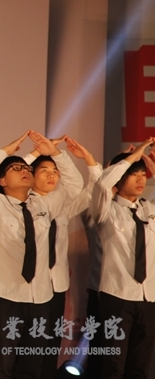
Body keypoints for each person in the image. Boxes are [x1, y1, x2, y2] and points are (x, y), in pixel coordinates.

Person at [0, 132, 82, 379]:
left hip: (41, 298)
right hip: (6, 298)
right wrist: (5, 152)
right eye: (16, 168)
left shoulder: (44, 205)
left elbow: (74, 185)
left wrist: (56, 154)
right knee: (1, 368)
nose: (25, 171)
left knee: (31, 369)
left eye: (27, 168)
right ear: (2, 181)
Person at [21, 138, 101, 379]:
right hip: (27, 286)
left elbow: (90, 191)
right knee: (26, 349)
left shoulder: (62, 204)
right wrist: (35, 153)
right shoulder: (18, 203)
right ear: (30, 175)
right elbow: (3, 178)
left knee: (49, 347)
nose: (51, 175)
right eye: (44, 170)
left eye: (55, 171)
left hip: (56, 286)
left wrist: (87, 160)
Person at [90, 139, 155, 379]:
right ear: (119, 180)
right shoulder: (106, 209)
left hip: (149, 297)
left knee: (140, 366)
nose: (140, 180)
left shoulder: (149, 210)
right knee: (113, 365)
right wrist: (131, 157)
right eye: (133, 174)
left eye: (143, 174)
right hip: (117, 295)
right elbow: (102, 184)